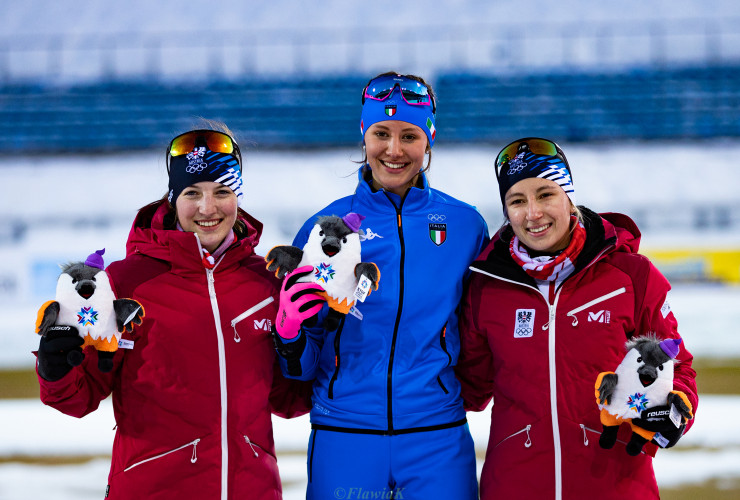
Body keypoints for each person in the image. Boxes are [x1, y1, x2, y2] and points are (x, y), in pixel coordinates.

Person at [34, 123, 311, 499]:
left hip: (252, 489)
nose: (207, 208)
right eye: (192, 193)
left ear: (238, 198)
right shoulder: (126, 282)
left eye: (222, 192)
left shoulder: (266, 282)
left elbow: (289, 399)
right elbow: (79, 398)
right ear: (172, 199)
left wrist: (308, 344)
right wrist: (55, 369)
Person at [270, 72, 489, 499]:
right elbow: (298, 368)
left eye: (409, 135)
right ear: (364, 136)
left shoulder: (465, 226)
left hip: (436, 433)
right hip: (344, 430)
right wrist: (289, 334)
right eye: (381, 133)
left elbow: (481, 329)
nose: (394, 150)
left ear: (429, 140)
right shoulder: (323, 229)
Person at [455, 137, 699, 499]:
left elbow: (677, 367)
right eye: (517, 201)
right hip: (515, 486)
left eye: (545, 194)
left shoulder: (630, 276)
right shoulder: (487, 288)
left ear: (569, 197)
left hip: (616, 486)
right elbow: (467, 390)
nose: (533, 213)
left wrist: (675, 408)